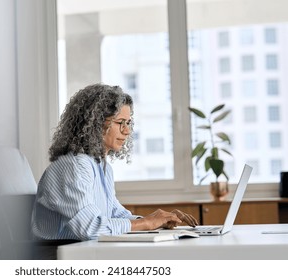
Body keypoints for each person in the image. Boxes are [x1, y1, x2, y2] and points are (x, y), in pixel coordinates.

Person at [31, 83, 198, 241]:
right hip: (57, 255)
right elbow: (90, 227)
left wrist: (159, 220)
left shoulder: (101, 167)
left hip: (83, 249)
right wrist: (147, 223)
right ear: (95, 124)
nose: (126, 131)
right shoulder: (73, 166)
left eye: (128, 123)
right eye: (120, 123)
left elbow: (116, 215)